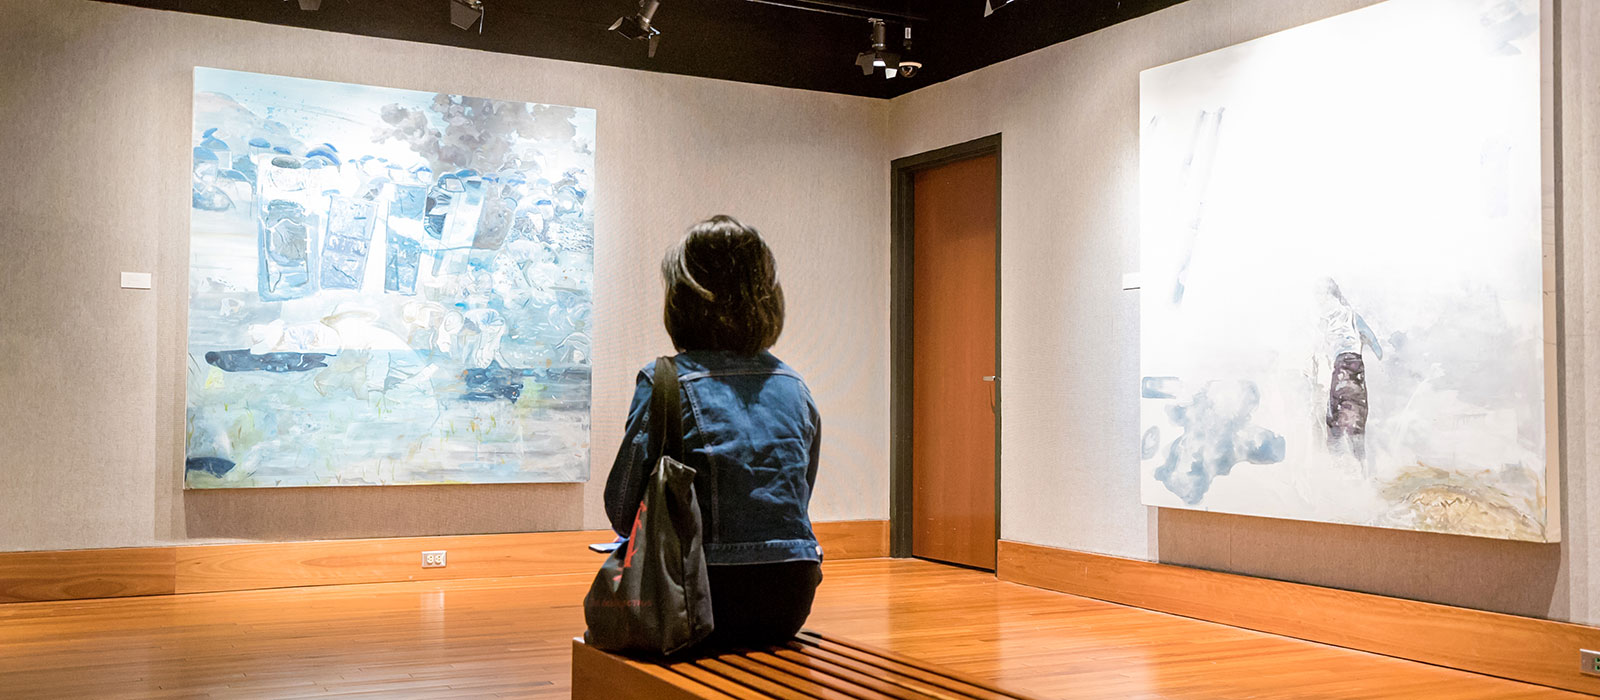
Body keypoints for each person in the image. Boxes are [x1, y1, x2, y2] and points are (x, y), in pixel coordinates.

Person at [603, 215, 823, 651]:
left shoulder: (663, 380)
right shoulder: (795, 386)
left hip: (697, 596)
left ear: (681, 300)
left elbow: (622, 509)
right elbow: (798, 492)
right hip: (790, 598)